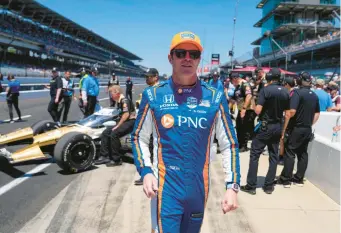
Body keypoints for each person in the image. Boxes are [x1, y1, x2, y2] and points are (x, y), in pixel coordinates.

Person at [131, 31, 240, 233]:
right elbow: (138, 137)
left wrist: (232, 186)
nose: (187, 59)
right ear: (170, 58)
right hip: (166, 191)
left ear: (199, 60)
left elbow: (230, 144)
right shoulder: (153, 95)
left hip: (198, 190)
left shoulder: (215, 97)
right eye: (181, 53)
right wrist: (146, 172)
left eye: (194, 54)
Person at [241, 68, 290, 195]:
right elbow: (288, 113)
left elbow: (257, 110)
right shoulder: (285, 92)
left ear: (269, 77)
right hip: (278, 126)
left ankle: (251, 186)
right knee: (273, 156)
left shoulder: (265, 90)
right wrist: (283, 130)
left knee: (255, 155)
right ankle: (268, 186)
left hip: (265, 126)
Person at [277, 72, 320, 187]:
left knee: (289, 152)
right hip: (307, 129)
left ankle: (286, 179)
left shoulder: (296, 93)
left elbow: (291, 112)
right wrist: (309, 124)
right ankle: (299, 179)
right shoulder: (314, 95)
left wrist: (283, 130)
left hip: (296, 128)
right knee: (302, 153)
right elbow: (317, 113)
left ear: (300, 80)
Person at [95, 85, 136, 166]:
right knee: (106, 132)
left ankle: (116, 159)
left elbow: (126, 114)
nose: (110, 95)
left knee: (114, 133)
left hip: (130, 122)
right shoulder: (119, 101)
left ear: (117, 93)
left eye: (111, 93)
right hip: (124, 121)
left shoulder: (124, 101)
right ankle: (104, 156)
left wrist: (117, 125)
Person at [134, 68, 159, 186]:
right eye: (146, 76)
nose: (147, 78)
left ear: (156, 77)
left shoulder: (158, 90)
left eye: (149, 76)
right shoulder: (148, 90)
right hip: (148, 122)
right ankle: (148, 174)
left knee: (152, 148)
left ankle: (150, 175)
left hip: (156, 125)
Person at [231, 72, 254, 152]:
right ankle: (240, 144)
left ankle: (244, 146)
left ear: (235, 78)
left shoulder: (245, 85)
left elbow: (249, 95)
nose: (232, 83)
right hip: (241, 110)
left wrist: (244, 108)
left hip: (247, 110)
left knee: (244, 128)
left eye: (232, 81)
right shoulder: (237, 87)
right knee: (239, 127)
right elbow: (234, 99)